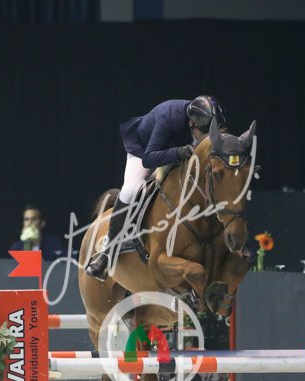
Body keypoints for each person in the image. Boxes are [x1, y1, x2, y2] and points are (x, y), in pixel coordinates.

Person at [85, 95, 228, 280]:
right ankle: (107, 251)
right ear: (192, 124)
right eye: (205, 134)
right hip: (144, 150)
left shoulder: (203, 119)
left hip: (177, 150)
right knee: (130, 191)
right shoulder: (169, 116)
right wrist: (178, 152)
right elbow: (149, 158)